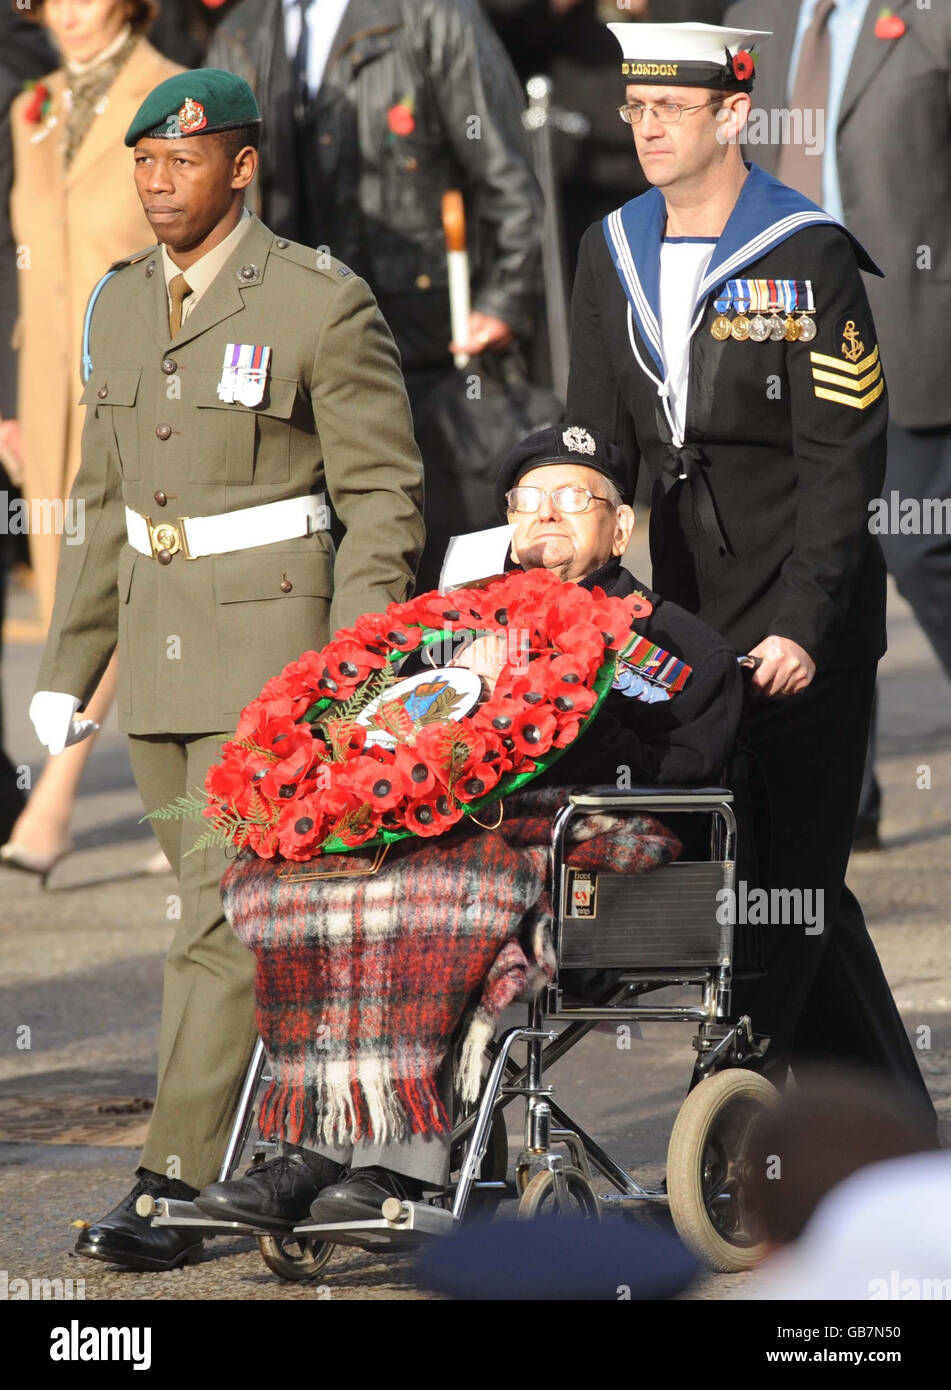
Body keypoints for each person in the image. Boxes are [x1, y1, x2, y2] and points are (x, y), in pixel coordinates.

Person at [30, 68, 425, 1270]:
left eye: (182, 162)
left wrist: (353, 674)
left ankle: (174, 1182)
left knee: (212, 920)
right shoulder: (115, 306)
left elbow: (382, 503)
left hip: (272, 659)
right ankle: (314, 1147)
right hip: (155, 664)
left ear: (240, 167)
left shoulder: (316, 302)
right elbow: (102, 503)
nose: (157, 182)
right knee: (247, 927)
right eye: (143, 162)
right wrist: (72, 662)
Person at [192, 422, 744, 1231]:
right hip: (443, 835)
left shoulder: (674, 646)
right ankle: (313, 1147)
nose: (547, 517)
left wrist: (560, 712)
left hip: (582, 841)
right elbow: (375, 741)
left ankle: (403, 1165)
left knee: (439, 891)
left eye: (572, 498)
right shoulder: (449, 630)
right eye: (527, 501)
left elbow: (682, 781)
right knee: (305, 885)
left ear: (619, 526)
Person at [564, 22, 934, 1120]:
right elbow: (596, 438)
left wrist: (804, 626)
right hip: (682, 629)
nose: (647, 129)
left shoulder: (804, 248)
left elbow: (842, 459)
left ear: (735, 113)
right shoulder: (611, 246)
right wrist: (569, 568)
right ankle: (897, 1128)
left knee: (783, 883)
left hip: (796, 623)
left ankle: (730, 1109)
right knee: (783, 880)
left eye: (670, 109)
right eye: (636, 109)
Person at [205, 0, 544, 587]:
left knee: (435, 574)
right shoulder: (242, 32)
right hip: (284, 354)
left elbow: (509, 175)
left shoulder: (433, 16)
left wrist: (503, 301)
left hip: (424, 348)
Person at [723, 0, 951, 849]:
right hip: (776, 332)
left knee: (923, 548)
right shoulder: (756, 17)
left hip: (915, 334)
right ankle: (842, 796)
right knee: (817, 557)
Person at [0, 0, 181, 879]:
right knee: (74, 587)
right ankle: (182, 804)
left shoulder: (176, 94)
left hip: (147, 380)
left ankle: (54, 803)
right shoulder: (29, 107)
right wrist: (8, 399)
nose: (67, 14)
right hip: (46, 391)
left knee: (129, 582)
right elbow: (13, 258)